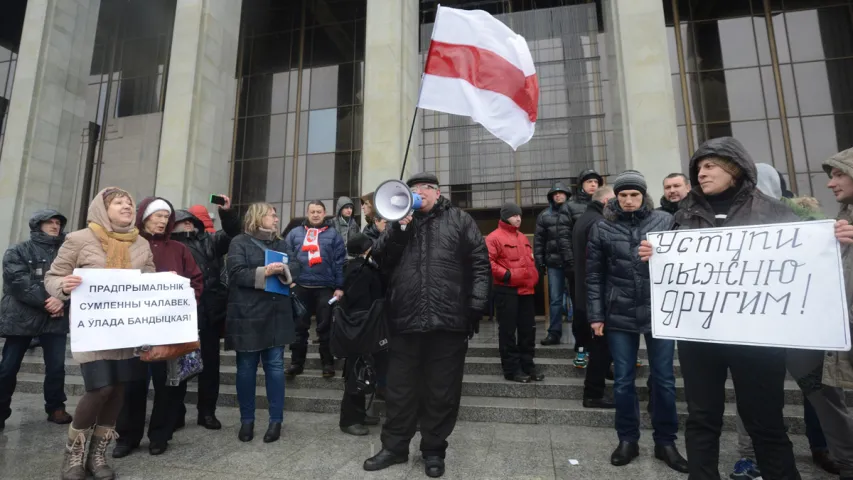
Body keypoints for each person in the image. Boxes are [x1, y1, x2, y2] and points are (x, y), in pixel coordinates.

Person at [637, 137, 846, 480]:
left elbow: (804, 267)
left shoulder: (776, 211)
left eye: (710, 166)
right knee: (702, 419)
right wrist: (653, 259)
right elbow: (673, 276)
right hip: (700, 338)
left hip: (757, 340)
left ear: (735, 168)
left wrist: (832, 242)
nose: (701, 173)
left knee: (766, 423)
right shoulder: (683, 216)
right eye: (698, 168)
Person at [362, 172, 490, 478]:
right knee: (400, 390)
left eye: (422, 190)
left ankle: (433, 450)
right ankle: (394, 448)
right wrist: (399, 228)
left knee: (441, 391)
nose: (418, 195)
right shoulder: (400, 223)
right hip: (405, 321)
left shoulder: (460, 220)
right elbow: (379, 260)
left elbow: (480, 263)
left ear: (436, 192)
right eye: (412, 190)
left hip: (448, 321)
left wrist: (475, 306)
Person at [45, 187, 156, 480]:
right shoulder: (79, 239)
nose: (126, 206)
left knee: (119, 389)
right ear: (102, 209)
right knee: (101, 389)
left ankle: (98, 455)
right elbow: (53, 277)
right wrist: (62, 287)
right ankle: (74, 455)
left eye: (129, 203)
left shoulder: (141, 243)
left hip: (126, 330)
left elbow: (151, 281)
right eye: (118, 202)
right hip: (92, 330)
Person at [586, 170, 687, 472]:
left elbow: (682, 262)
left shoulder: (664, 222)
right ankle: (627, 439)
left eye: (634, 195)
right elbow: (593, 274)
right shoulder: (602, 227)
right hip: (618, 313)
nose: (629, 200)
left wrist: (661, 255)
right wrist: (595, 314)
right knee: (623, 381)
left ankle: (666, 442)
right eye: (623, 195)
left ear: (644, 196)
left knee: (665, 380)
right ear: (616, 197)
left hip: (658, 312)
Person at [113, 197, 203, 458]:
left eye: (166, 216)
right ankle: (127, 436)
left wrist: (182, 295)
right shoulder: (128, 245)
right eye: (157, 216)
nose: (163, 221)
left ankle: (160, 435)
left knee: (168, 384)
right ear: (144, 217)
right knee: (132, 383)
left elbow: (196, 282)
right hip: (134, 328)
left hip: (169, 328)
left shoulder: (179, 249)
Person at [225, 203, 301, 443]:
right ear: (258, 218)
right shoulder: (239, 242)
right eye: (272, 215)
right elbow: (235, 273)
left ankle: (275, 421)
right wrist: (264, 272)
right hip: (247, 315)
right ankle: (247, 421)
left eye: (277, 215)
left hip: (277, 315)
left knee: (276, 369)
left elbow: (298, 265)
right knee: (246, 370)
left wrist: (285, 269)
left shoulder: (281, 243)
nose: (276, 219)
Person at [171, 199, 240, 430]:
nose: (188, 225)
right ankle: (176, 413)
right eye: (183, 221)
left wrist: (227, 213)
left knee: (210, 368)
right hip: (180, 317)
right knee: (178, 368)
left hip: (210, 314)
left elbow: (232, 233)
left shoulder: (209, 241)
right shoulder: (169, 245)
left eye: (191, 221)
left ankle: (207, 412)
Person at [0, 210, 72, 430]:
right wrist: (49, 300)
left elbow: (77, 281)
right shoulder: (18, 250)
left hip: (56, 318)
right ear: (37, 225)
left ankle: (56, 407)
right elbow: (18, 281)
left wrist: (62, 300)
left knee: (57, 367)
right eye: (49, 222)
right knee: (8, 367)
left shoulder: (67, 252)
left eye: (58, 222)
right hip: (22, 318)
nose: (55, 226)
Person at [283, 201, 346, 378]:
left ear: (325, 213)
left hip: (325, 287)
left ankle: (327, 363)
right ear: (307, 213)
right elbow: (286, 258)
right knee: (299, 327)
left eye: (319, 211)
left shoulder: (333, 235)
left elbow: (340, 262)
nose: (316, 214)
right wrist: (290, 282)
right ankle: (296, 363)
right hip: (300, 286)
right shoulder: (295, 233)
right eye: (312, 212)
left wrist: (339, 286)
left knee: (325, 327)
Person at [571, 186, 616, 409]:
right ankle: (594, 393)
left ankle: (599, 382)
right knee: (601, 344)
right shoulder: (598, 222)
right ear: (607, 201)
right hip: (597, 294)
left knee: (599, 344)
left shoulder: (584, 219)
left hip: (586, 292)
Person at [486, 202, 542, 383]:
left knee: (528, 330)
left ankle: (528, 365)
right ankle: (511, 369)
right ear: (505, 217)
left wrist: (534, 276)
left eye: (520, 215)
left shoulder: (523, 237)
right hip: (506, 290)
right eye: (514, 215)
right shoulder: (494, 238)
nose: (518, 218)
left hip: (526, 290)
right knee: (508, 331)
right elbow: (488, 262)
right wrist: (507, 275)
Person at [338, 233, 385, 436]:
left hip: (367, 326)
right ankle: (349, 420)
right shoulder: (358, 269)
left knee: (365, 370)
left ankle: (359, 414)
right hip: (360, 328)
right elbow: (357, 303)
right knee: (356, 371)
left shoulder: (366, 267)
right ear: (364, 250)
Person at [534, 182, 574, 349]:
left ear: (567, 195)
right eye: (555, 193)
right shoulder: (544, 216)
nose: (558, 195)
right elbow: (538, 241)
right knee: (555, 299)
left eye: (561, 193)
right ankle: (554, 333)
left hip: (573, 262)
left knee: (577, 298)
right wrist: (539, 261)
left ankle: (581, 334)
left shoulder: (574, 212)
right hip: (553, 263)